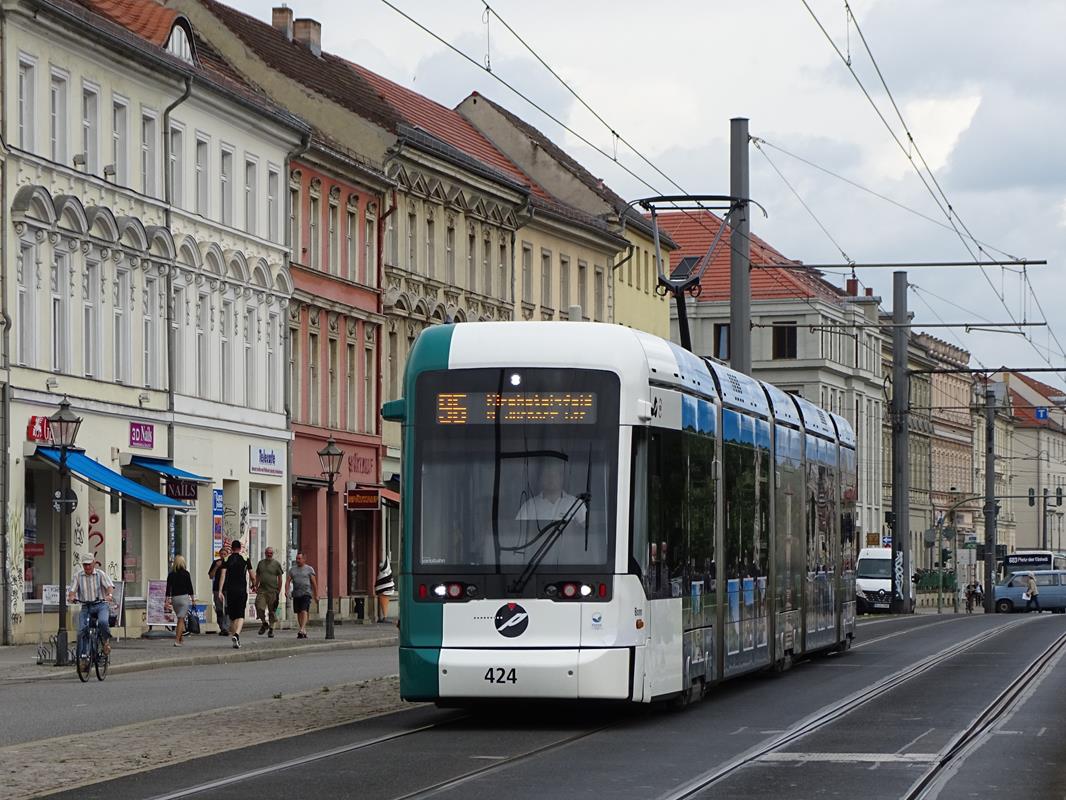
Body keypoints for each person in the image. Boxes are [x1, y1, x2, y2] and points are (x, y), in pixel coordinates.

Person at [67, 554, 115, 666]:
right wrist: (71, 597)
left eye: (89, 564)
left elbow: (109, 586)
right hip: (86, 606)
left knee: (103, 622)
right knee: (81, 630)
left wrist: (109, 595)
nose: (87, 567)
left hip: (100, 605)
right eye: (85, 565)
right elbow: (72, 590)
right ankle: (83, 658)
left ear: (94, 563)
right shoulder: (78, 576)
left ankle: (105, 641)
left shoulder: (100, 574)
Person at [516, 460, 586, 525]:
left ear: (562, 478)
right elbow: (517, 533)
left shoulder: (576, 504)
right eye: (547, 475)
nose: (551, 479)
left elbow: (587, 531)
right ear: (541, 478)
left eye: (555, 475)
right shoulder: (529, 507)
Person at [218, 539, 252, 648]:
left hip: (230, 590)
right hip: (241, 590)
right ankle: (237, 635)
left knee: (232, 616)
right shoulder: (245, 558)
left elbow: (222, 575)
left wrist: (220, 591)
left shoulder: (227, 559)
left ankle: (235, 638)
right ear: (240, 548)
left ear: (231, 548)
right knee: (240, 614)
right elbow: (252, 574)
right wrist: (255, 584)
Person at [165, 555, 196, 646]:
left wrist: (167, 599)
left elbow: (168, 588)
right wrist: (193, 599)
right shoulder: (186, 574)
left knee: (179, 618)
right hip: (184, 598)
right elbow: (190, 587)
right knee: (181, 619)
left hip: (175, 598)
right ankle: (177, 641)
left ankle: (181, 639)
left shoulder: (171, 574)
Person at [286, 552, 318, 638]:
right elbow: (288, 581)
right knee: (298, 612)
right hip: (296, 594)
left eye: (299, 559)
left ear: (304, 559)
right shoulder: (292, 570)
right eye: (297, 559)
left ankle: (302, 628)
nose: (297, 560)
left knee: (304, 610)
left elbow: (314, 583)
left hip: (306, 593)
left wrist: (316, 594)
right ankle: (303, 630)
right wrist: (287, 591)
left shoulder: (309, 569)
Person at [254, 546, 284, 638]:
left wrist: (278, 590)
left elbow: (280, 578)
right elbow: (258, 575)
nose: (269, 555)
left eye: (271, 553)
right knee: (259, 606)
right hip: (262, 590)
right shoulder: (261, 563)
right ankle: (264, 623)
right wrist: (255, 585)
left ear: (272, 554)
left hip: (273, 591)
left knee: (272, 612)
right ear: (265, 553)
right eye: (267, 553)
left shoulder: (276, 564)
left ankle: (271, 629)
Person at [208, 543, 231, 636]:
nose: (222, 556)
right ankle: (222, 627)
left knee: (228, 608)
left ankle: (226, 627)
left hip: (228, 588)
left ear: (227, 555)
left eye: (224, 554)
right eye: (221, 554)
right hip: (217, 588)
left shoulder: (230, 563)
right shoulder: (216, 562)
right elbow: (210, 576)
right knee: (219, 609)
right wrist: (216, 566)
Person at [375, 557, 395, 623]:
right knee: (384, 602)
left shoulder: (384, 573)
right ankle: (384, 616)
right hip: (384, 588)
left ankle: (384, 616)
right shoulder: (384, 573)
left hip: (384, 588)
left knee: (384, 602)